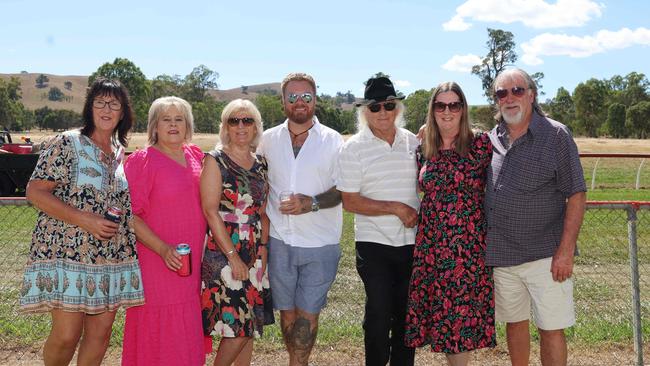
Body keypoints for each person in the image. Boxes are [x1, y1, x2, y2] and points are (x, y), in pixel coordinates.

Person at [19, 78, 145, 365]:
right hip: (68, 253)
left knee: (99, 338)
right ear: (90, 108)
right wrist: (84, 219)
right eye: (99, 102)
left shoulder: (120, 152)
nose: (106, 109)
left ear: (123, 112)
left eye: (114, 104)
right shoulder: (67, 142)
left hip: (109, 256)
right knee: (66, 335)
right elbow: (35, 191)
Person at [485, 68, 586, 366]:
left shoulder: (555, 135)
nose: (510, 98)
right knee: (514, 326)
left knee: (551, 329)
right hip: (503, 256)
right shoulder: (491, 140)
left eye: (517, 90)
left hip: (546, 255)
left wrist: (566, 250)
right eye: (502, 93)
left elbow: (577, 194)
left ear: (531, 94)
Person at [405, 81, 496, 366]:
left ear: (463, 108)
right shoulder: (425, 148)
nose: (447, 111)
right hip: (432, 247)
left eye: (454, 105)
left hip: (465, 249)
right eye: (440, 105)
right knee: (444, 321)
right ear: (432, 110)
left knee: (459, 323)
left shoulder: (480, 144)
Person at [257, 72, 344, 366]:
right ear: (283, 102)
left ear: (315, 100)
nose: (299, 102)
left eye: (306, 96)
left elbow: (345, 189)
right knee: (288, 315)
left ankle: (298, 363)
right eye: (292, 97)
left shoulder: (334, 141)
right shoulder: (267, 140)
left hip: (320, 244)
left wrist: (313, 202)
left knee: (307, 316)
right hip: (280, 241)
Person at [337, 76, 419, 366]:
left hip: (412, 244)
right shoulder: (353, 148)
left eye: (388, 105)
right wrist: (395, 207)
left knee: (407, 316)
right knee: (378, 314)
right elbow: (350, 201)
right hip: (373, 245)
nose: (382, 112)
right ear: (364, 111)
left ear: (397, 107)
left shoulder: (414, 142)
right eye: (375, 107)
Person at [121, 96, 207, 366]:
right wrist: (162, 249)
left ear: (188, 125)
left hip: (190, 263)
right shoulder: (141, 161)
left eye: (179, 119)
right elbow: (130, 215)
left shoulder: (196, 156)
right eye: (165, 119)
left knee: (187, 326)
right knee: (157, 330)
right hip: (157, 261)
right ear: (154, 126)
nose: (173, 125)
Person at [201, 99, 273, 366]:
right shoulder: (214, 160)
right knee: (237, 325)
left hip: (255, 250)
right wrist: (232, 256)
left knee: (248, 326)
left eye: (247, 120)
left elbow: (263, 212)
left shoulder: (262, 163)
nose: (241, 126)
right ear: (226, 127)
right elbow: (210, 212)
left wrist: (264, 250)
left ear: (256, 126)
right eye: (234, 121)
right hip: (224, 251)